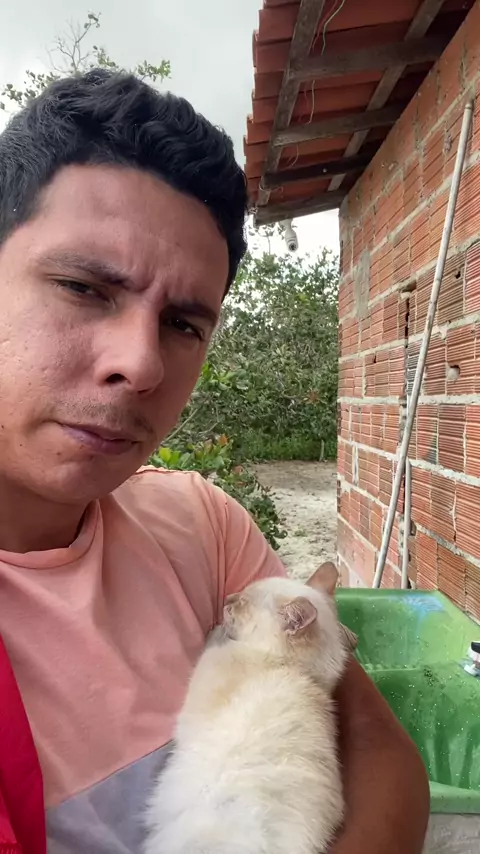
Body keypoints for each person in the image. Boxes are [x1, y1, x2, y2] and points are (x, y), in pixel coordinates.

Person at [0, 69, 429, 854]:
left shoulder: (199, 523)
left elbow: (382, 755)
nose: (141, 364)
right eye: (82, 287)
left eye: (184, 325)